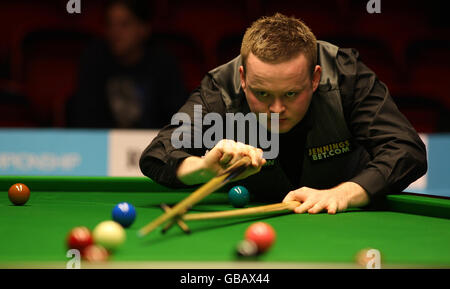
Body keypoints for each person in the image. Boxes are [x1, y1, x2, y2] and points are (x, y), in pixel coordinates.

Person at [140, 13, 427, 213]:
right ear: (243, 77)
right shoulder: (221, 89)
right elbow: (157, 155)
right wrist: (204, 169)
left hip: (345, 216)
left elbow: (407, 150)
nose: (276, 109)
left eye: (291, 93)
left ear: (315, 78)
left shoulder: (345, 76)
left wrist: (342, 194)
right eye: (262, 93)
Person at [66, 0, 186, 128]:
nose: (115, 32)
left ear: (143, 28)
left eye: (124, 25)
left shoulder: (163, 63)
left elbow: (176, 119)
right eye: (110, 24)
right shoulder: (93, 59)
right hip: (102, 143)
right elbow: (85, 117)